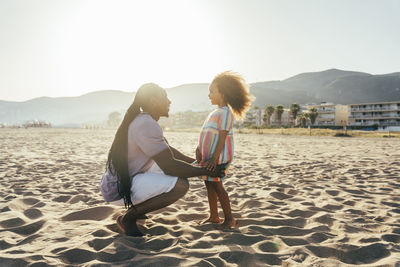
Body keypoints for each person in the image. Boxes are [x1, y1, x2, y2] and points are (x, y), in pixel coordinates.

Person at [100, 83, 226, 236]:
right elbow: (169, 166)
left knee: (174, 170)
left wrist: (197, 164)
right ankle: (128, 218)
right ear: (153, 101)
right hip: (117, 190)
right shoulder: (146, 123)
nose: (169, 102)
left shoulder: (144, 120)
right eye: (165, 97)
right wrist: (205, 171)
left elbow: (168, 151)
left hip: (118, 182)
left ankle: (138, 210)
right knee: (180, 185)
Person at [195, 71, 253, 229]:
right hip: (207, 158)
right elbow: (207, 134)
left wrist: (214, 158)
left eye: (212, 91)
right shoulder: (215, 112)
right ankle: (214, 216)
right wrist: (199, 149)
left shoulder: (226, 113)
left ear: (223, 93)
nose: (209, 95)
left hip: (218, 159)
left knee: (217, 186)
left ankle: (229, 218)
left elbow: (221, 137)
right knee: (209, 184)